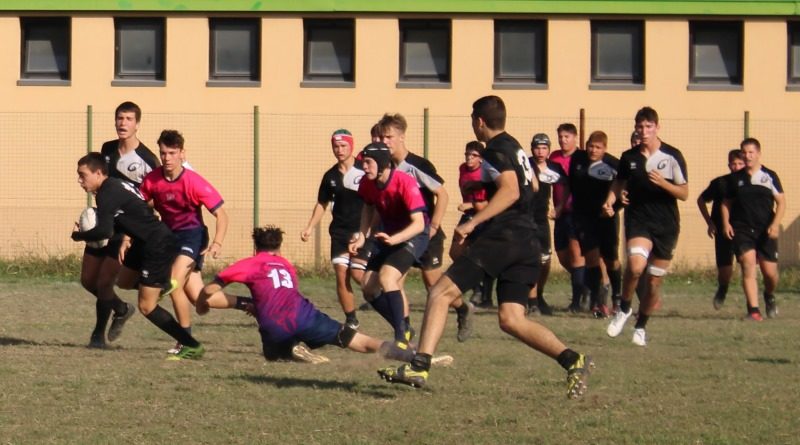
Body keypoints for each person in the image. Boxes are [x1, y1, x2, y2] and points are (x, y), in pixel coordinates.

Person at [377, 96, 593, 399]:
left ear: (479, 121)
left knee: (439, 292)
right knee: (512, 319)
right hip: (528, 240)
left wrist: (472, 223)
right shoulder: (516, 147)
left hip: (503, 238)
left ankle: (419, 366)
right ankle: (574, 360)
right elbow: (531, 185)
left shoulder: (493, 151)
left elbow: (512, 190)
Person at [195, 226, 431, 365]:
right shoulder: (287, 265)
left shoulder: (251, 263)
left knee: (272, 355)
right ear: (279, 249)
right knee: (354, 339)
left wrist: (203, 304)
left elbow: (208, 291)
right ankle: (411, 355)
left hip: (275, 324)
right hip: (305, 315)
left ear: (256, 249)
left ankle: (291, 348)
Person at [71, 153, 205, 360]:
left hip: (156, 244)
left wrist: (79, 235)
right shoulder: (114, 186)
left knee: (146, 306)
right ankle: (156, 284)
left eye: (83, 175)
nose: (80, 180)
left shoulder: (106, 193)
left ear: (98, 173)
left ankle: (191, 345)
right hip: (144, 241)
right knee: (123, 281)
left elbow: (105, 232)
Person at [377, 114, 474, 342]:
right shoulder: (386, 167)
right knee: (395, 280)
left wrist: (434, 226)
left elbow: (442, 194)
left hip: (426, 234)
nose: (385, 142)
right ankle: (404, 332)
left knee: (434, 285)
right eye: (382, 137)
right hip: (403, 235)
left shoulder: (418, 165)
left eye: (389, 137)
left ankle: (462, 308)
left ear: (402, 137)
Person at [139, 130, 229, 354]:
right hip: (167, 237)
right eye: (163, 153)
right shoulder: (152, 180)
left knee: (172, 282)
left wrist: (217, 242)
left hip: (192, 235)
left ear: (182, 154)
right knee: (200, 298)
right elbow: (141, 207)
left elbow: (222, 215)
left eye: (172, 152)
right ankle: (250, 304)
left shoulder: (193, 181)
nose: (167, 158)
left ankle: (185, 340)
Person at [604, 107, 688, 346]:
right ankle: (624, 308)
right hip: (638, 219)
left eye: (648, 127)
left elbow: (684, 193)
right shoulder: (629, 157)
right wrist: (611, 201)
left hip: (666, 224)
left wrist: (664, 184)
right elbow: (618, 183)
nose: (644, 131)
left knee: (653, 282)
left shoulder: (672, 156)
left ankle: (641, 327)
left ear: (657, 127)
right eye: (640, 127)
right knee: (636, 265)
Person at [79, 101, 157, 349]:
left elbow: (151, 198)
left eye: (128, 119)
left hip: (125, 228)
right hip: (103, 220)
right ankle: (121, 308)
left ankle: (97, 336)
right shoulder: (107, 150)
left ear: (137, 124)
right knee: (88, 280)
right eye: (119, 118)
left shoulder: (147, 159)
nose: (123, 123)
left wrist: (129, 235)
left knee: (104, 282)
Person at [348, 143, 429, 346]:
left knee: (387, 277)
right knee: (368, 288)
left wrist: (395, 240)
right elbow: (368, 208)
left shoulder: (405, 182)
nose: (364, 167)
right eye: (362, 163)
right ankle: (404, 327)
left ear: (383, 163)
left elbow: (419, 224)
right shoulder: (368, 183)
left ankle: (400, 336)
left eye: (368, 162)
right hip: (388, 235)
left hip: (413, 236)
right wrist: (362, 236)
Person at [301, 129, 366, 329]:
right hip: (339, 232)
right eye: (336, 146)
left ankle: (385, 298)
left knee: (358, 275)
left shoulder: (365, 171)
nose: (339, 150)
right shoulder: (329, 176)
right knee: (340, 272)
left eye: (343, 146)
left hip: (361, 231)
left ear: (351, 146)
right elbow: (322, 203)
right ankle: (351, 320)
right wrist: (310, 227)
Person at [721, 138, 785, 320]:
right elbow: (726, 203)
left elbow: (781, 202)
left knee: (770, 273)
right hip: (742, 229)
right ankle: (754, 311)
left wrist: (774, 224)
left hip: (765, 229)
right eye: (744, 152)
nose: (747, 156)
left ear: (758, 154)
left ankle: (769, 295)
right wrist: (726, 223)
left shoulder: (769, 176)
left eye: (751, 152)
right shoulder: (735, 179)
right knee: (748, 264)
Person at [569, 131, 622, 318]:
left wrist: (614, 207)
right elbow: (572, 186)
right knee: (591, 259)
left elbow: (623, 190)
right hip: (583, 218)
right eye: (591, 146)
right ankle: (597, 302)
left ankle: (617, 298)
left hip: (606, 219)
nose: (593, 150)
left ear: (604, 148)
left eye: (598, 147)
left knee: (611, 260)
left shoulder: (614, 165)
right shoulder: (578, 159)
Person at [697, 149, 746, 309]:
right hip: (722, 231)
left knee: (748, 264)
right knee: (725, 270)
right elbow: (701, 200)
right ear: (729, 164)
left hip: (744, 231)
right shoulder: (720, 183)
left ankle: (752, 303)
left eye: (740, 163)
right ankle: (722, 289)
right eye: (734, 163)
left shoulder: (751, 184)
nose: (737, 167)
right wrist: (710, 223)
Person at [549, 123, 588, 312]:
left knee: (576, 255)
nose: (563, 140)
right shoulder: (554, 157)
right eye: (561, 137)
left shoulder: (582, 158)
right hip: (560, 213)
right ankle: (587, 282)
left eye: (567, 136)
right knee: (562, 254)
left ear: (575, 138)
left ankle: (577, 301)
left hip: (577, 212)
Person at [527, 133, 566, 316]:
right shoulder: (525, 166)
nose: (540, 151)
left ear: (549, 149)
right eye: (537, 147)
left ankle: (539, 295)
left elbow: (566, 187)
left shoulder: (554, 168)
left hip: (542, 220)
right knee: (532, 260)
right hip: (526, 219)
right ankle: (532, 301)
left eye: (544, 148)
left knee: (545, 260)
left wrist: (558, 207)